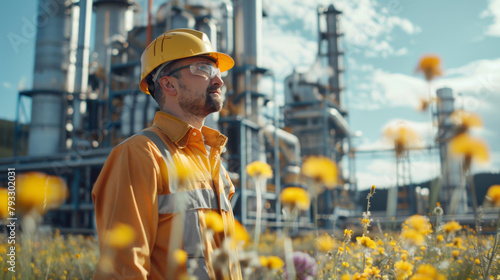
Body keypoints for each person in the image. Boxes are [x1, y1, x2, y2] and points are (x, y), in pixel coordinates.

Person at [92, 28, 242, 280]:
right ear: (168, 84)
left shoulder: (213, 161)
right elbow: (122, 270)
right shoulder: (140, 154)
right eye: (204, 69)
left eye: (217, 72)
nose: (218, 81)